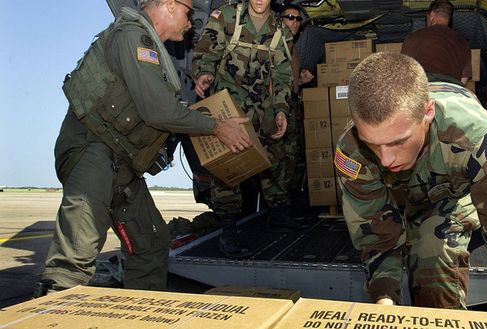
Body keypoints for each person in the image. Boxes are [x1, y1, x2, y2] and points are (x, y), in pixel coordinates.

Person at [36, 0, 252, 296]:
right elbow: (159, 111)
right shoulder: (132, 38)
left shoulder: (151, 52)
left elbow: (163, 108)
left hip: (121, 164)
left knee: (151, 244)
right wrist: (216, 126)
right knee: (75, 257)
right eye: (189, 13)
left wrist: (208, 117)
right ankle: (50, 312)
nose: (190, 23)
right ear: (169, 5)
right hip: (93, 150)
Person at [334, 52, 487, 314]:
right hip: (406, 195)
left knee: (433, 255)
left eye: (397, 142)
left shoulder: (475, 138)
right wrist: (384, 296)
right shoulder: (352, 152)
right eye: (373, 144)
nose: (385, 159)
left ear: (427, 113)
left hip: (456, 188)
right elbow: (376, 236)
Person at [193, 0, 304, 259]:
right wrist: (204, 73)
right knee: (228, 163)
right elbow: (206, 52)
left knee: (276, 156)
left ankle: (278, 213)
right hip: (229, 106)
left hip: (262, 108)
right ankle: (229, 226)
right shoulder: (226, 17)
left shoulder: (281, 30)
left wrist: (280, 109)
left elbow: (283, 75)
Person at [279, 3, 313, 213]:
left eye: (297, 19)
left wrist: (300, 80)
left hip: (291, 104)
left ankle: (291, 201)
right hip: (279, 106)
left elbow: (287, 78)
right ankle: (281, 207)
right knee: (283, 157)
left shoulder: (292, 47)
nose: (294, 22)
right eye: (289, 17)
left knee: (296, 155)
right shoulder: (276, 42)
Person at [401, 0, 472, 85]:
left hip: (424, 86)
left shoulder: (414, 37)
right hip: (451, 88)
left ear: (431, 15)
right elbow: (463, 79)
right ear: (448, 18)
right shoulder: (463, 42)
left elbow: (405, 72)